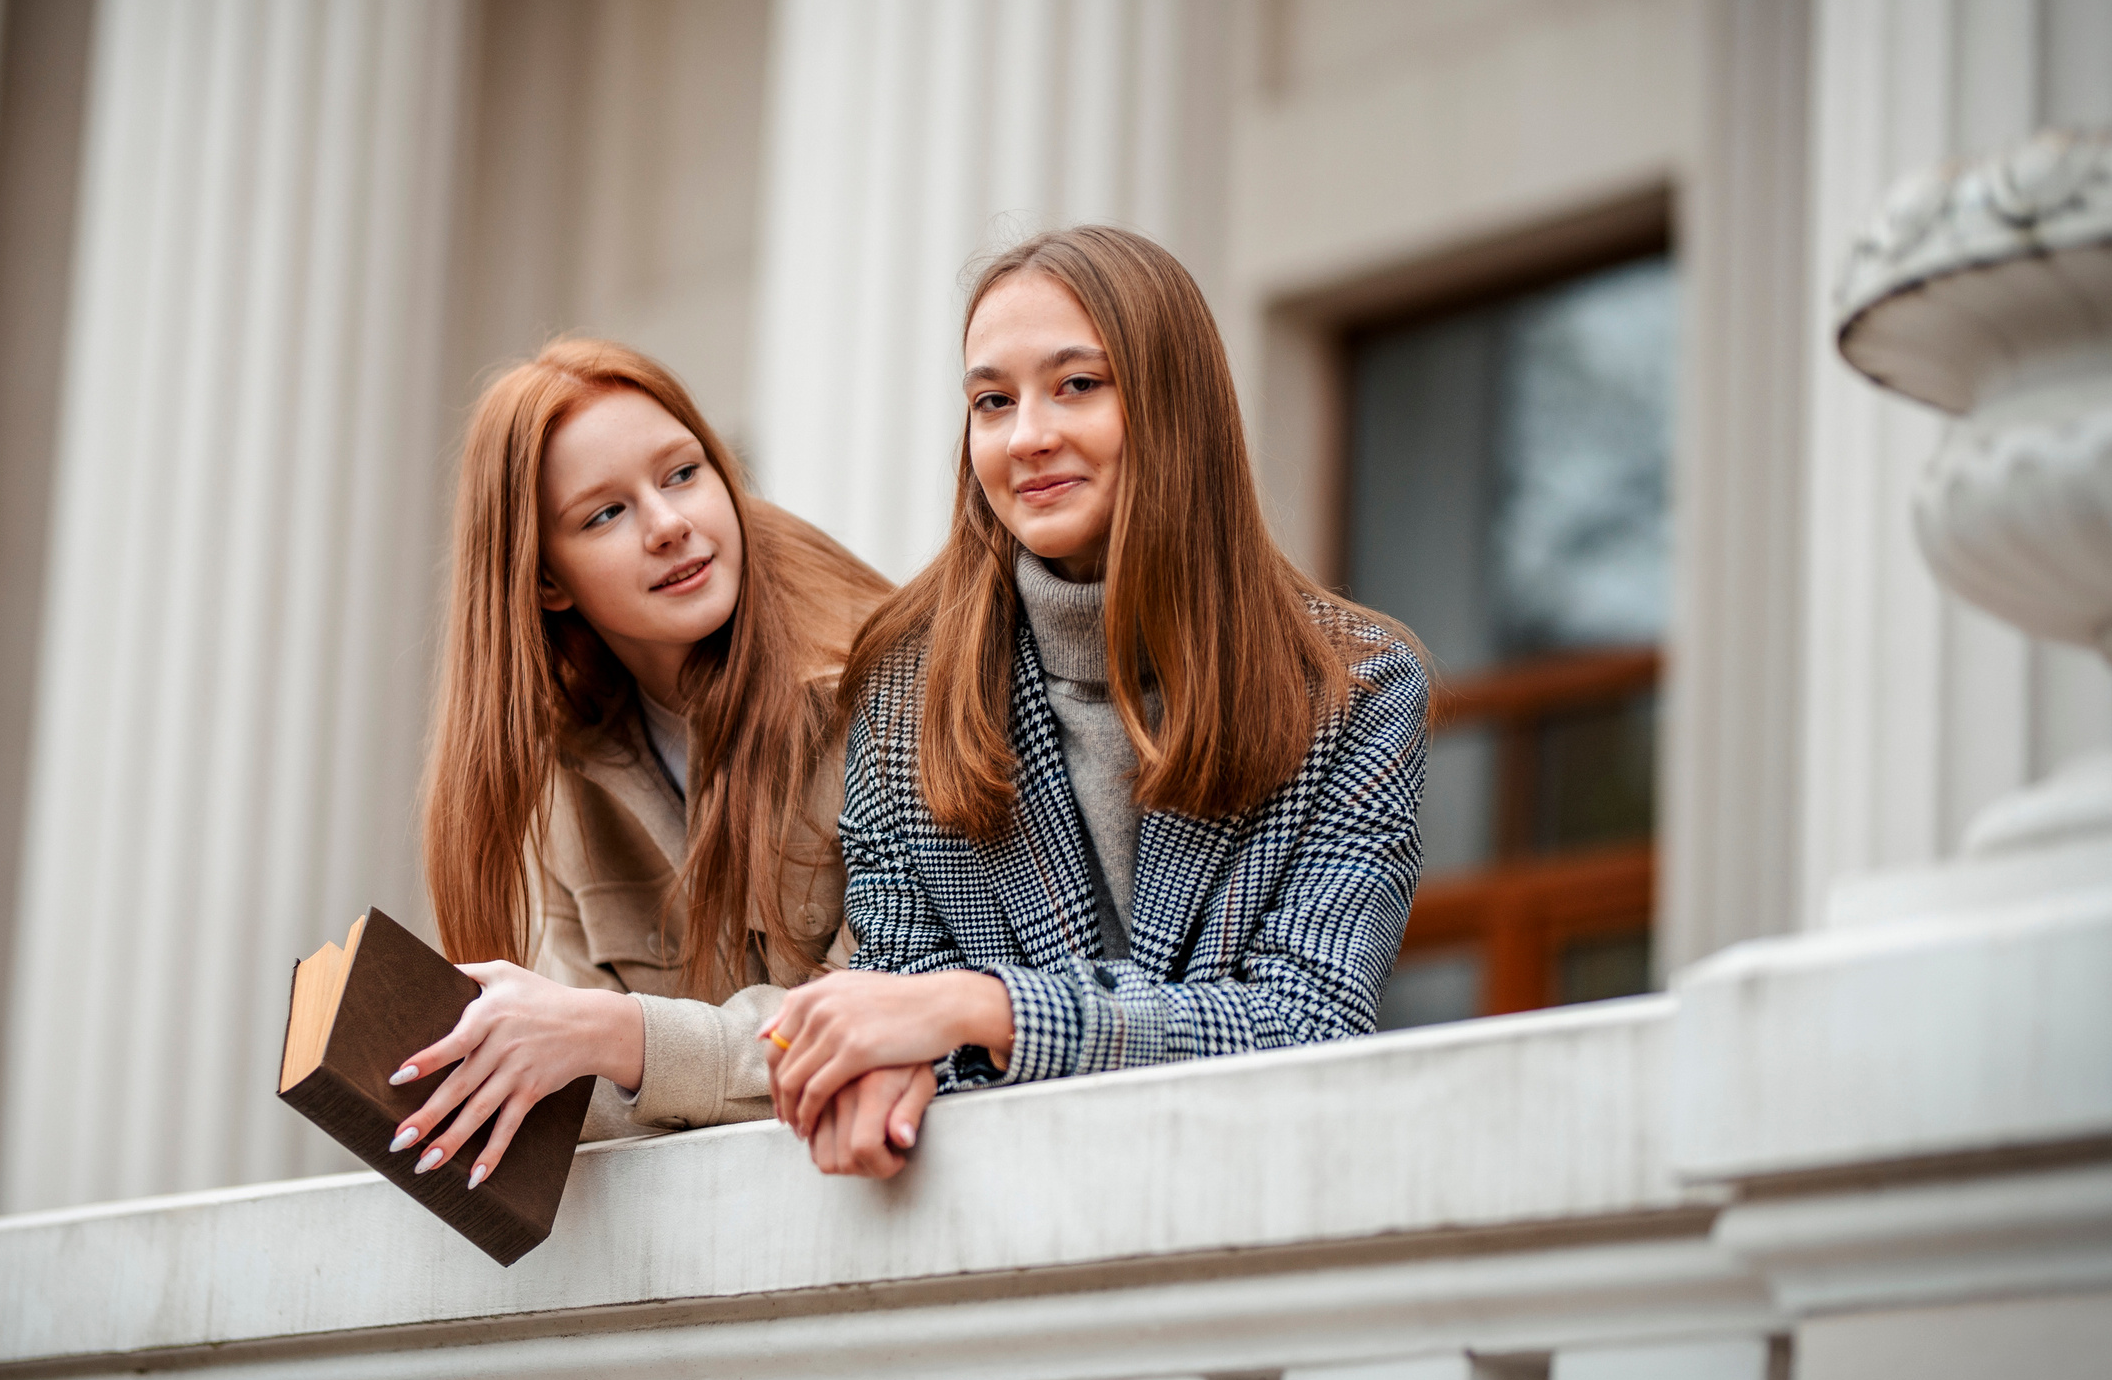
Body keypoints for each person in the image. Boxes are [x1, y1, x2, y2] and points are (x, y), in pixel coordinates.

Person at [761, 226, 1428, 1178]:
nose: (1028, 435)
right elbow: (905, 1027)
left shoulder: (1353, 687)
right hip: (1012, 1239)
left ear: (1173, 405)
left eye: (1078, 384)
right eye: (993, 401)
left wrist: (986, 1007)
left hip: (1260, 1214)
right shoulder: (906, 697)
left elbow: (1308, 1020)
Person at [395, 338, 889, 1189]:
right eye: (605, 514)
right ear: (548, 580)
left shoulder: (875, 691)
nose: (670, 525)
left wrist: (619, 1038)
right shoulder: (566, 773)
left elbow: (881, 1014)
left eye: (682, 472)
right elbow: (577, 1100)